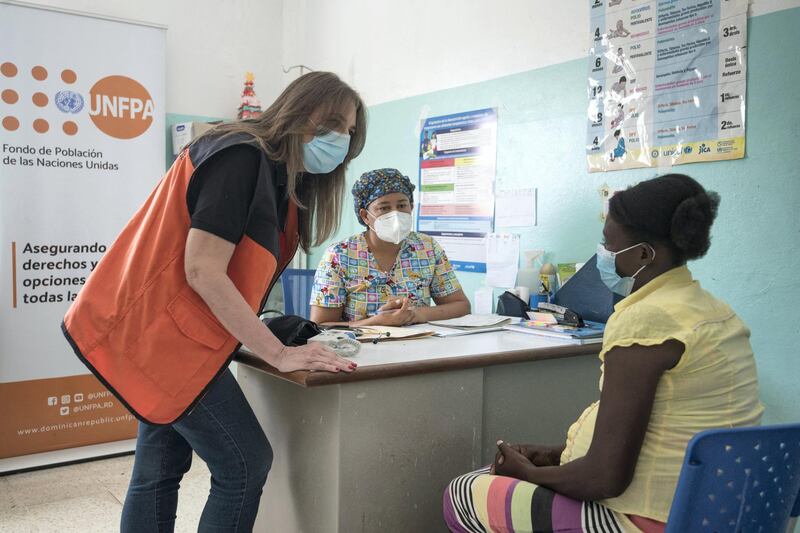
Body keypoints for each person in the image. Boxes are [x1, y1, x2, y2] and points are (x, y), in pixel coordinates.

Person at [62, 71, 367, 532]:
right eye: (335, 124)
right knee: (245, 463)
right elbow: (202, 269)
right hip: (163, 338)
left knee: (158, 470)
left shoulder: (280, 182)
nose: (341, 140)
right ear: (301, 112)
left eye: (349, 133)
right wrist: (278, 352)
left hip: (175, 335)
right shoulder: (242, 154)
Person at [444, 174, 763, 532]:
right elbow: (661, 432)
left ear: (644, 254)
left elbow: (605, 479)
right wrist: (556, 454)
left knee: (464, 492)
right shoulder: (712, 310)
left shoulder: (646, 320)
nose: (603, 255)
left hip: (652, 521)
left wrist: (531, 473)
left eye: (608, 244)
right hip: (725, 514)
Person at [310, 168, 470, 326]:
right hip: (359, 348)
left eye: (402, 206)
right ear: (365, 216)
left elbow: (461, 306)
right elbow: (321, 325)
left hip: (418, 346)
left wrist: (413, 314)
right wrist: (375, 323)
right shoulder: (340, 255)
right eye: (384, 208)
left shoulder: (427, 248)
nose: (395, 214)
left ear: (411, 207)